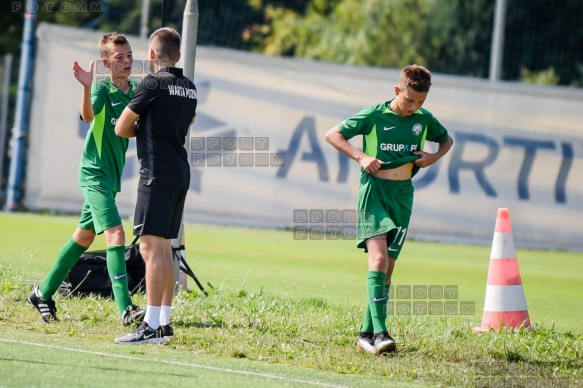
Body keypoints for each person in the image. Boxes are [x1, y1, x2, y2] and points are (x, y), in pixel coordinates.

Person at [325, 64, 453, 355]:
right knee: (379, 259)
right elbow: (332, 134)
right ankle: (381, 333)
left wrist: (432, 157)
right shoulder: (374, 114)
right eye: (409, 100)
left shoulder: (423, 119)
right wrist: (360, 156)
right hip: (374, 193)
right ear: (397, 90)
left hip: (403, 196)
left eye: (420, 102)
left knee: (389, 267)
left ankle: (365, 334)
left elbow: (447, 140)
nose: (414, 107)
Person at [28, 33, 145, 326]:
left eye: (129, 55)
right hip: (94, 175)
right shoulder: (103, 88)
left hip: (110, 178)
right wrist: (87, 87)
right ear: (106, 62)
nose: (127, 60)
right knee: (116, 234)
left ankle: (42, 292)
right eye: (120, 57)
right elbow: (89, 116)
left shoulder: (135, 91)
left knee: (84, 236)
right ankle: (125, 309)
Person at [114, 27, 197, 345]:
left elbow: (122, 127)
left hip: (156, 174)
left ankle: (150, 324)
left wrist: (143, 127)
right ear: (177, 55)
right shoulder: (189, 88)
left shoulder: (152, 83)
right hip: (179, 172)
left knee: (149, 248)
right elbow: (184, 124)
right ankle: (162, 324)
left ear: (151, 55)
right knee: (163, 248)